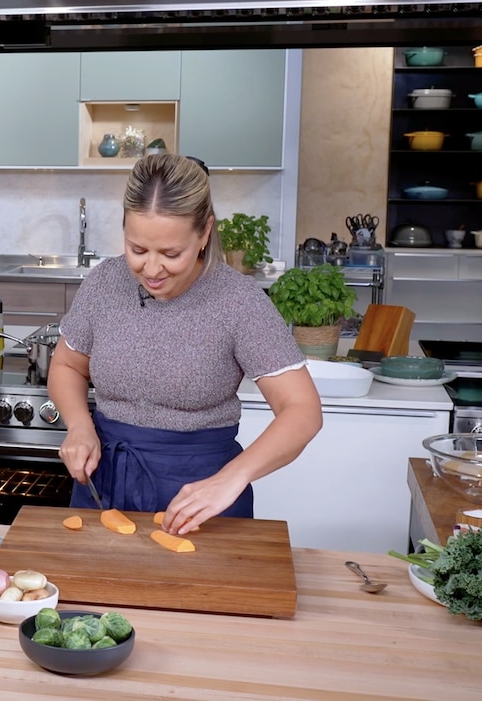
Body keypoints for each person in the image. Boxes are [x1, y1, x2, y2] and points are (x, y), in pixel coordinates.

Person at [48, 153, 322, 536]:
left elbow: (302, 410)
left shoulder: (238, 301)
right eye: (137, 250)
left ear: (205, 232)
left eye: (171, 254)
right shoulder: (104, 283)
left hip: (201, 503)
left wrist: (232, 478)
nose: (152, 269)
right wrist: (79, 426)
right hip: (102, 488)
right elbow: (67, 366)